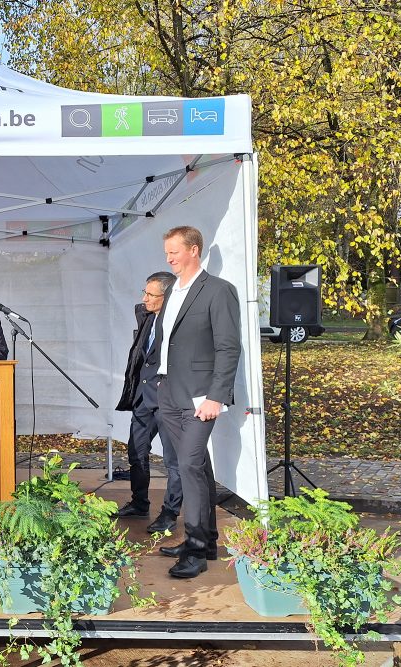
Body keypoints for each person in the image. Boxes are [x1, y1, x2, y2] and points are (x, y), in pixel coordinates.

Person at [152, 226, 241, 579]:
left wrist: (217, 396)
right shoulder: (173, 290)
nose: (169, 258)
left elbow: (228, 347)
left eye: (174, 251)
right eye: (166, 252)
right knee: (198, 467)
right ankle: (209, 541)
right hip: (171, 393)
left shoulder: (219, 291)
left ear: (194, 250)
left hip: (201, 397)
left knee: (189, 467)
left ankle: (196, 549)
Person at [114, 271, 182, 534]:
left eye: (150, 294)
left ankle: (169, 513)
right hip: (144, 399)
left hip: (168, 400)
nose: (144, 299)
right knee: (137, 451)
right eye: (144, 292)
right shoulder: (146, 317)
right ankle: (140, 502)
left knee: (173, 462)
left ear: (166, 298)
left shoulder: (176, 323)